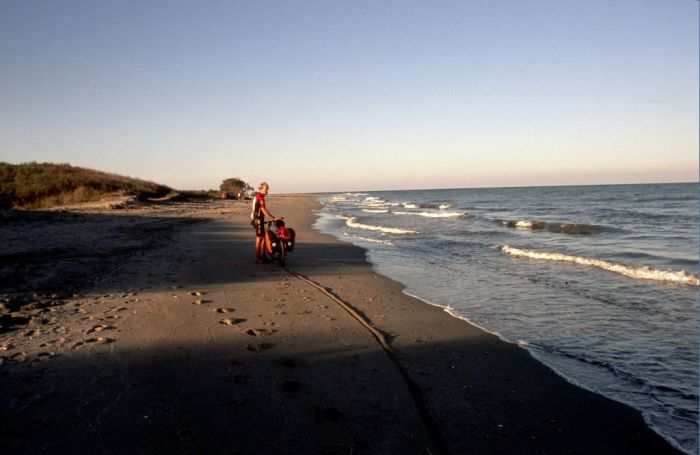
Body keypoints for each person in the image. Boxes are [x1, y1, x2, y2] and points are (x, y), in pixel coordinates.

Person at [251, 182, 279, 263]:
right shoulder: (259, 197)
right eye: (266, 189)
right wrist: (273, 218)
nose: (267, 191)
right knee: (259, 238)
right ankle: (258, 258)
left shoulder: (260, 196)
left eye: (267, 189)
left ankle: (263, 255)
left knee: (263, 238)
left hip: (259, 219)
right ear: (261, 189)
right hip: (258, 220)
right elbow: (264, 210)